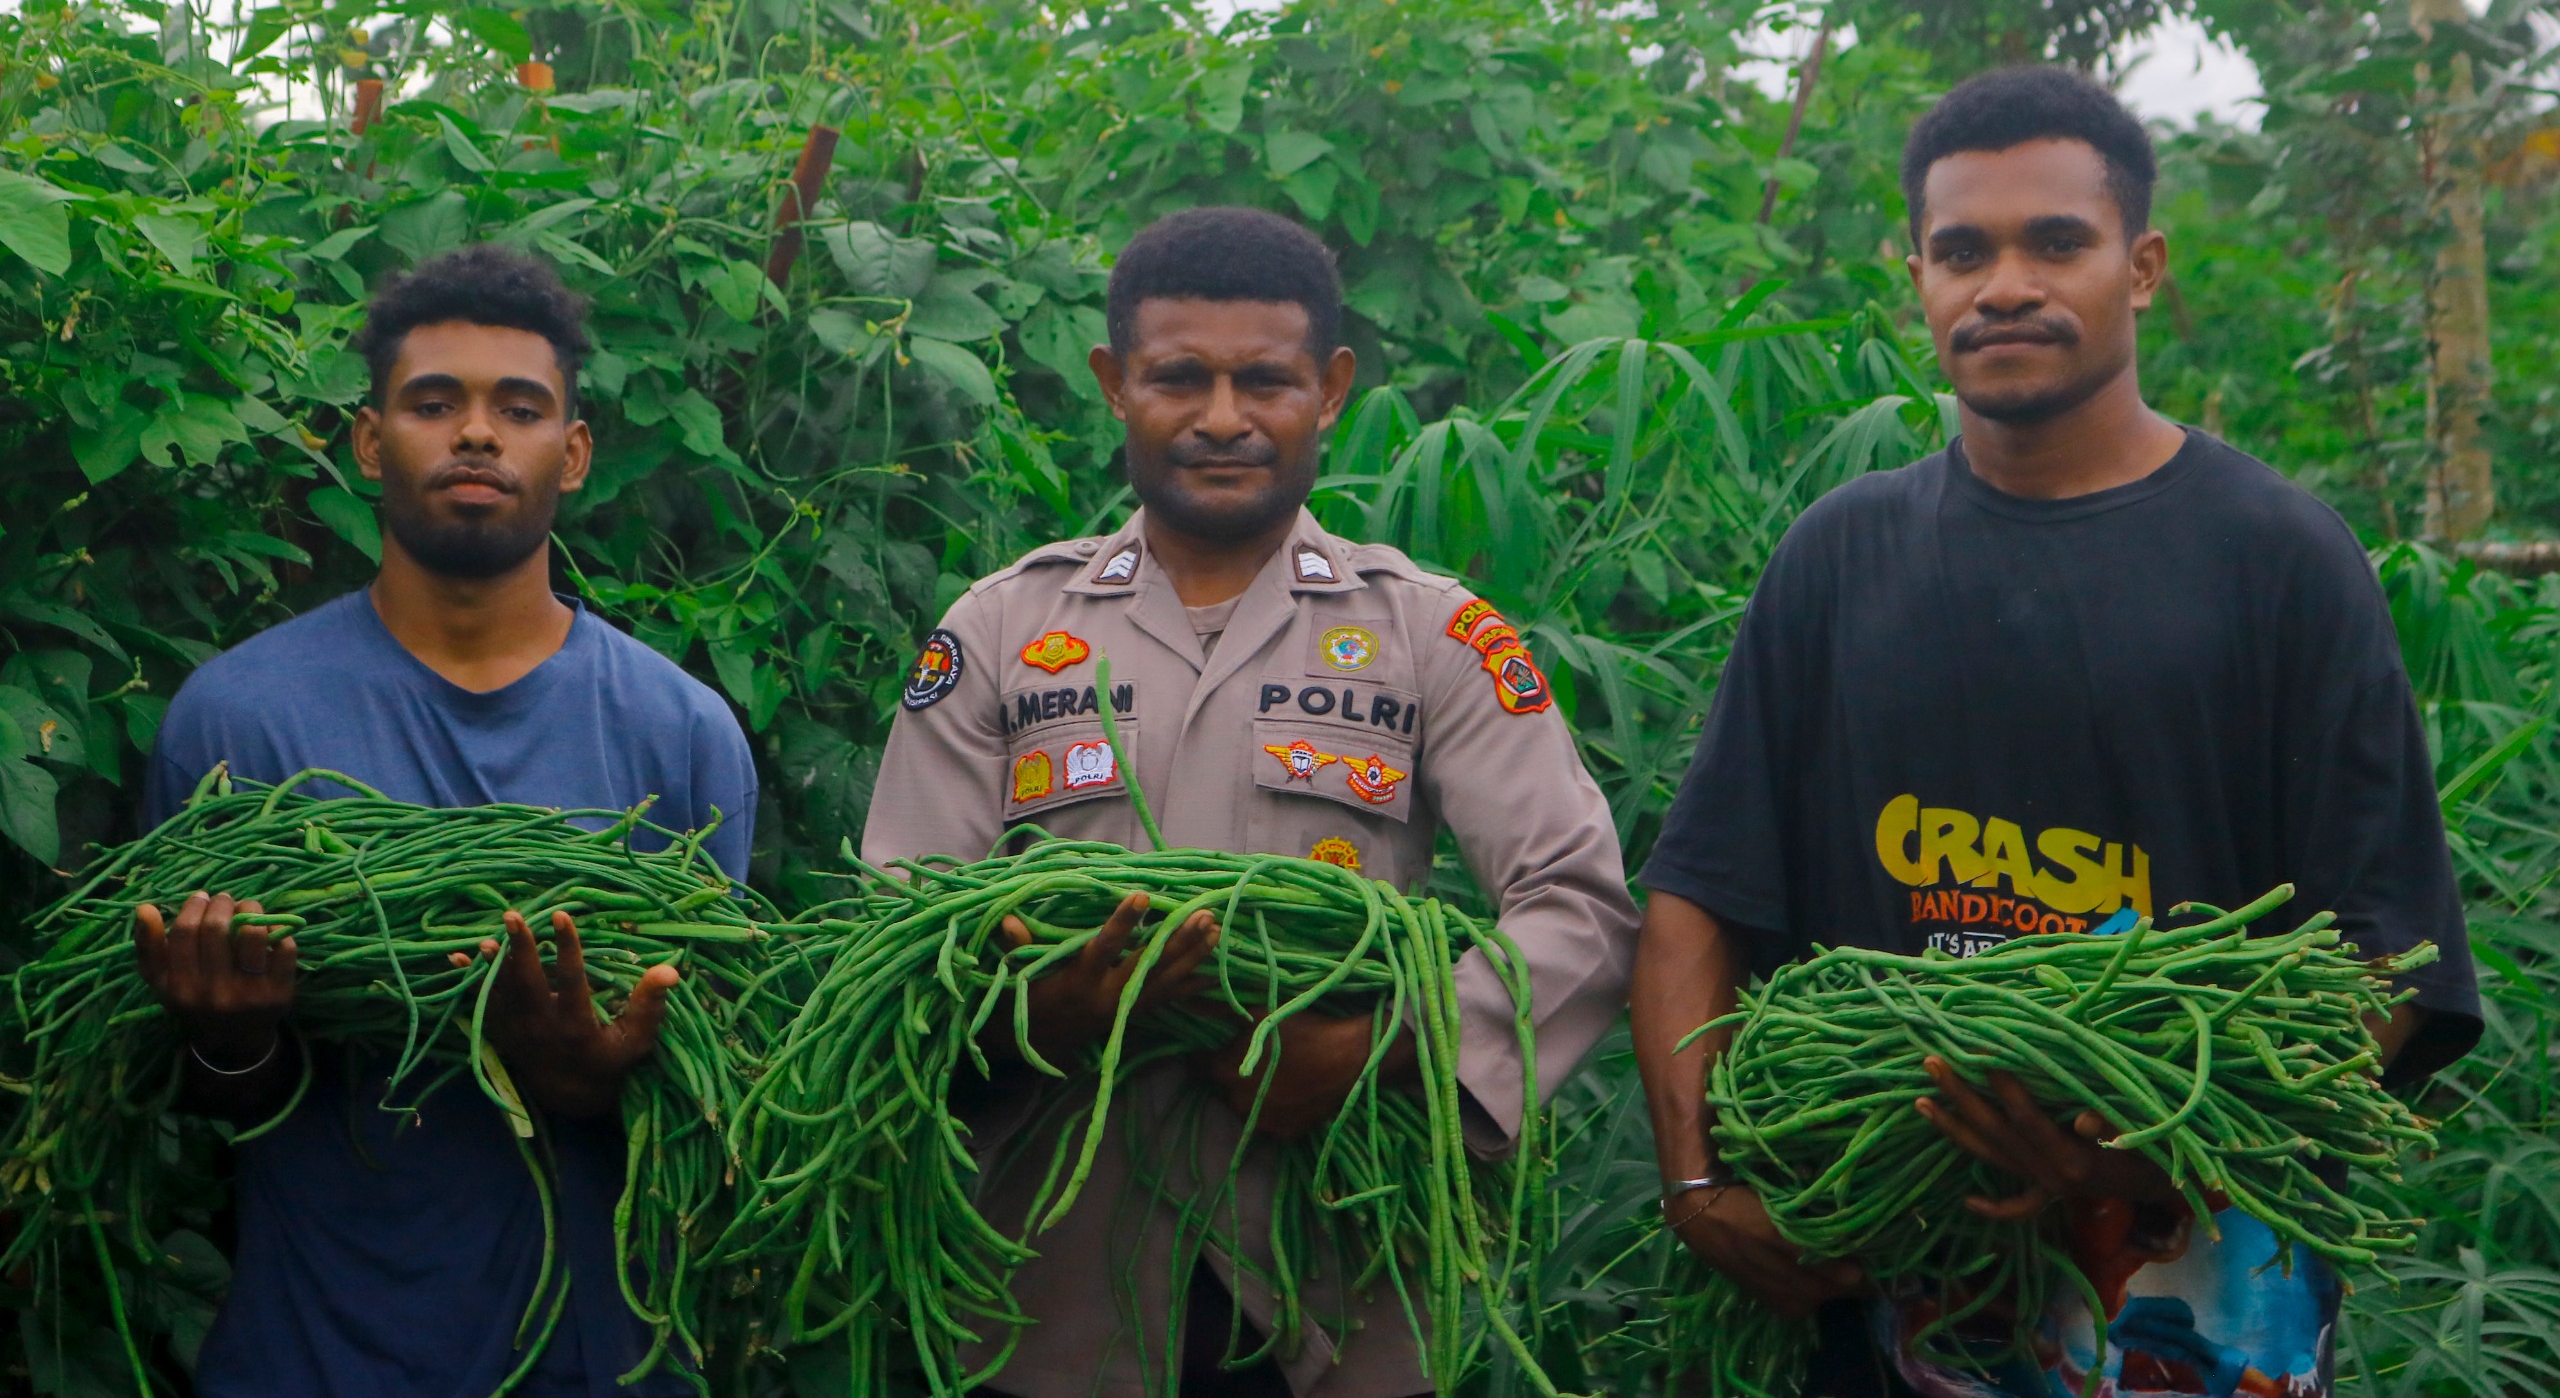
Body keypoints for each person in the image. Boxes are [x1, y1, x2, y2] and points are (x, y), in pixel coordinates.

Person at [1627, 68, 2479, 1398]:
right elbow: (1698, 897)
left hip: (2199, 1280)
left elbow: (2388, 958)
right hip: (1889, 1261)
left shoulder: (2282, 558)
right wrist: (1695, 1180)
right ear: (1915, 272)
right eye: (1963, 249)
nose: (2004, 283)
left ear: (2140, 267)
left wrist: (2158, 1135)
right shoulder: (1840, 556)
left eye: (2055, 243)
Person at [862, 205, 1640, 1398]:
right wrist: (1036, 1010)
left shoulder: (1429, 632)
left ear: (1327, 389)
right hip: (1044, 1297)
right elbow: (900, 923)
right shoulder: (1004, 627)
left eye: (1263, 380)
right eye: (1180, 377)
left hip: (1337, 1280)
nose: (1222, 417)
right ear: (1117, 383)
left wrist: (1385, 1041)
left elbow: (1576, 905)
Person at [133, 246, 757, 1398]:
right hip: (312, 1356)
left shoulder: (682, 732)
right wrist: (233, 1033)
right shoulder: (235, 717)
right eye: (435, 403)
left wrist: (596, 1075)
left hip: (601, 1360)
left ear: (570, 455)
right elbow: (213, 1094)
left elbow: (709, 1094)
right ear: (371, 443)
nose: (476, 434)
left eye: (517, 409)